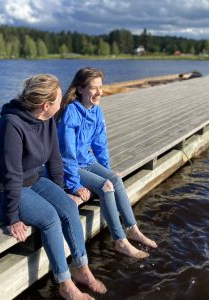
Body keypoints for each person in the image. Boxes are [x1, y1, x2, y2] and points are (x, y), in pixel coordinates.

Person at [0, 74, 106, 300]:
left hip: (32, 180)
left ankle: (82, 269)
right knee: (50, 218)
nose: (63, 100)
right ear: (46, 105)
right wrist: (12, 217)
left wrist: (60, 193)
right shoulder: (10, 125)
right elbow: (11, 175)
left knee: (68, 207)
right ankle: (65, 284)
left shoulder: (47, 121)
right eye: (58, 98)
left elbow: (55, 160)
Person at [56, 67, 157, 260]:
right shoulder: (70, 112)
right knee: (106, 186)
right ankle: (120, 241)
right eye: (94, 88)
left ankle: (133, 229)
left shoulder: (97, 112)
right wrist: (75, 185)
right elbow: (67, 154)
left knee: (115, 180)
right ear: (80, 89)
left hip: (87, 161)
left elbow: (100, 145)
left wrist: (106, 170)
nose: (99, 92)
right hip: (69, 166)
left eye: (100, 87)